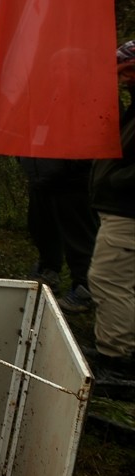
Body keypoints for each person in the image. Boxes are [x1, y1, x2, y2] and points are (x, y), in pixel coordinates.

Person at [83, 40, 135, 385]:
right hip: (119, 206)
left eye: (126, 72)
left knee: (109, 280)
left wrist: (115, 181)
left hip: (126, 208)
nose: (122, 80)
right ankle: (115, 345)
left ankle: (117, 361)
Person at [16, 157, 97, 309]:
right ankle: (48, 270)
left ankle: (84, 288)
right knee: (40, 228)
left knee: (78, 237)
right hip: (40, 177)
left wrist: (69, 167)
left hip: (72, 182)